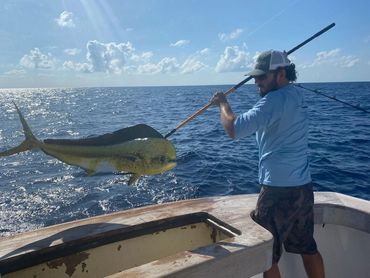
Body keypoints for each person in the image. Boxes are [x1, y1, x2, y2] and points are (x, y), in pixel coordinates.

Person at [210, 50, 325, 278]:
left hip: (277, 191)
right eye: (255, 77)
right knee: (307, 247)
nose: (256, 82)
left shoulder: (273, 100)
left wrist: (222, 103)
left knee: (264, 257)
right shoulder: (296, 96)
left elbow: (234, 128)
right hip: (303, 189)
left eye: (262, 77)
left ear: (280, 74)